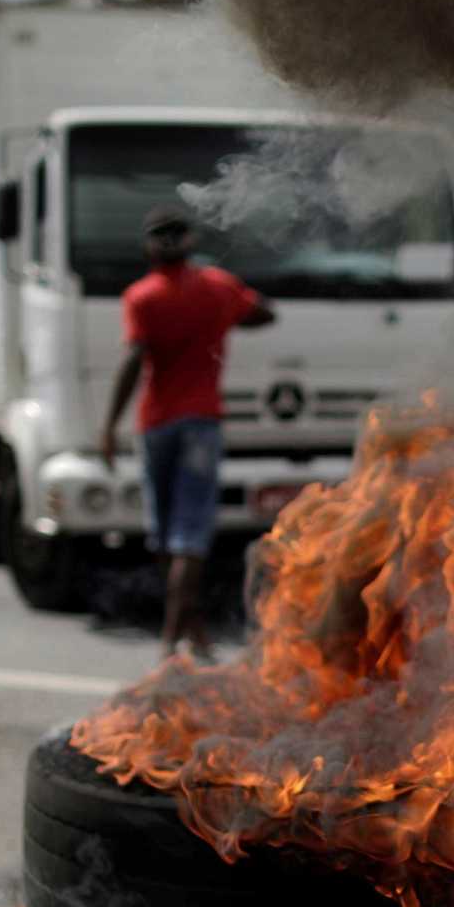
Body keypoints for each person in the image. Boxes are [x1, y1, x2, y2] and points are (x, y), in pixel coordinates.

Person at [99, 205, 275, 661]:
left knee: (165, 533)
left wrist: (108, 425)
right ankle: (179, 632)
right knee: (191, 533)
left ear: (149, 247)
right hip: (201, 423)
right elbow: (264, 314)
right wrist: (227, 316)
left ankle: (178, 632)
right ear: (190, 241)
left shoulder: (142, 297)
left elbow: (134, 362)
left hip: (156, 424)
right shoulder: (217, 287)